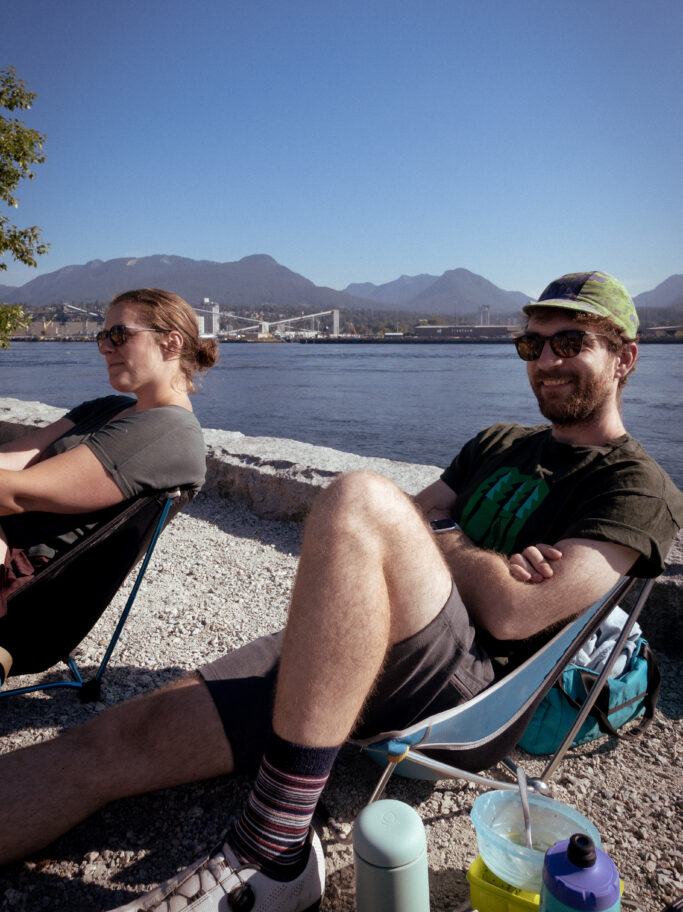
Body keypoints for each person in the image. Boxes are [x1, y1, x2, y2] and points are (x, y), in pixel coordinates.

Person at [1, 272, 681, 912]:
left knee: (357, 496)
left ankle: (273, 849)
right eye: (531, 343)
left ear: (625, 357)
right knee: (108, 742)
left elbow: (510, 612)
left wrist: (437, 534)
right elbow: (411, 528)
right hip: (363, 641)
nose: (545, 360)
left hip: (467, 692)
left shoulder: (634, 485)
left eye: (570, 343)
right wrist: (467, 549)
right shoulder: (497, 441)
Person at [0, 287, 218, 683]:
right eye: (102, 337)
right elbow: (14, 460)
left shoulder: (168, 432)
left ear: (171, 343)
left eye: (119, 335)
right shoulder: (106, 409)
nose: (104, 348)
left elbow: (16, 493)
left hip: (25, 595)